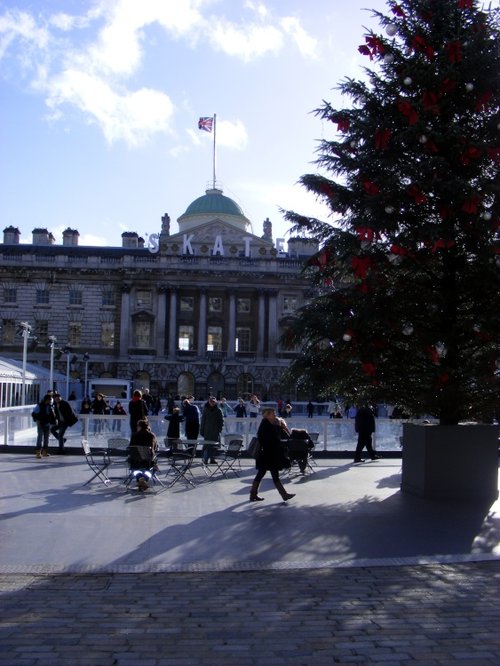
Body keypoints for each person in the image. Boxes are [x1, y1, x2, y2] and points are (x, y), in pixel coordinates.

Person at [249, 407, 295, 502]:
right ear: (267, 415)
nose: (274, 415)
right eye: (273, 414)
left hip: (268, 455)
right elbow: (269, 439)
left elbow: (281, 436)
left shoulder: (270, 424)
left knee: (263, 474)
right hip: (268, 455)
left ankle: (253, 494)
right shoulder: (265, 426)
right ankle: (284, 494)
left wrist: (280, 426)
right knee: (271, 474)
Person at [127, 419, 158, 491]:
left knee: (136, 469)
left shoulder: (134, 435)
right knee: (153, 466)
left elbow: (131, 447)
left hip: (135, 460)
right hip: (148, 460)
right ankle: (144, 480)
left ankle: (140, 479)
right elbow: (155, 448)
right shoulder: (151, 435)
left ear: (140, 427)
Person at [200, 396, 224, 464]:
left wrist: (219, 429)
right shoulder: (206, 409)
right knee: (206, 445)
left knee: (214, 446)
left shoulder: (218, 410)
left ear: (215, 402)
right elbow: (203, 420)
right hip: (207, 430)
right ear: (209, 402)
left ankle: (212, 459)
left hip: (215, 431)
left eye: (213, 402)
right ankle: (205, 459)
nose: (212, 403)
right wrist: (202, 430)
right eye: (211, 401)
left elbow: (221, 421)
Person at [32, 394, 57, 458]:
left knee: (46, 438)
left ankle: (44, 451)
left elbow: (52, 415)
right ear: (47, 400)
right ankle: (38, 452)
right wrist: (37, 420)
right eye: (50, 399)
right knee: (40, 437)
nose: (50, 401)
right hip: (41, 423)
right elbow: (34, 413)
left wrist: (53, 422)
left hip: (47, 423)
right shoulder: (40, 405)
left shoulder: (50, 406)